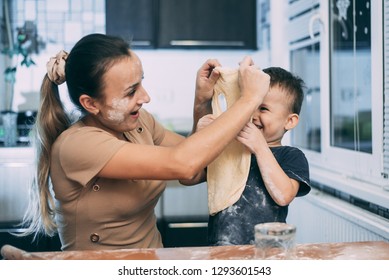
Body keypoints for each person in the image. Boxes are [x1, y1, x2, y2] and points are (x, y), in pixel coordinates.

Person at [20, 33, 270, 251]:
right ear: (91, 104)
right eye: (131, 92)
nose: (145, 97)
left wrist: (201, 101)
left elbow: (196, 168)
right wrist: (249, 100)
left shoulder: (139, 123)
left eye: (141, 82)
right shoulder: (77, 145)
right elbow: (183, 164)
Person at [181, 67, 311, 246]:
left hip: (268, 252)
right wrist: (199, 135)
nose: (253, 115)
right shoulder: (228, 151)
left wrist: (260, 147)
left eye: (263, 108)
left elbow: (284, 195)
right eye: (251, 105)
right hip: (221, 251)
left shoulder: (291, 156)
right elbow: (187, 177)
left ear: (290, 121)